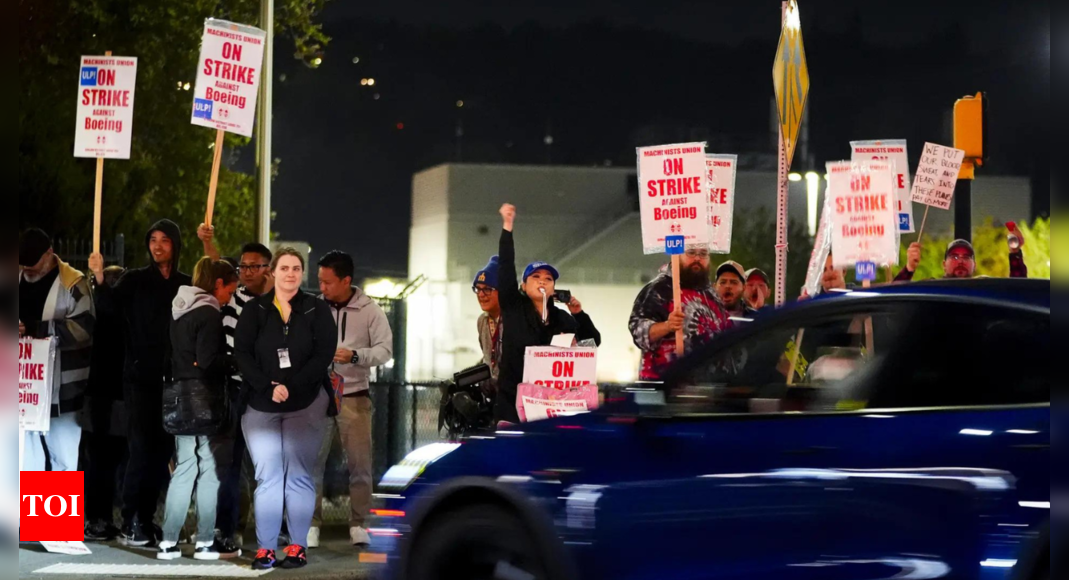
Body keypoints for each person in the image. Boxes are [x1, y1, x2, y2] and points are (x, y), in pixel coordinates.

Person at [89, 219, 192, 547]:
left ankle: (146, 520)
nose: (158, 246)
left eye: (164, 240)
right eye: (152, 240)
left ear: (176, 244)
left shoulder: (186, 286)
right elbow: (108, 309)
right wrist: (100, 277)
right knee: (140, 451)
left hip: (173, 383)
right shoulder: (134, 280)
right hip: (138, 382)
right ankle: (132, 520)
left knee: (162, 453)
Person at [234, 248, 337, 570]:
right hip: (261, 403)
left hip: (306, 403)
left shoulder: (317, 310)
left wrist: (292, 386)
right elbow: (242, 354)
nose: (290, 273)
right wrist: (269, 386)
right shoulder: (254, 310)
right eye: (284, 268)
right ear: (273, 272)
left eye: (296, 268)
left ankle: (297, 546)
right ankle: (265, 549)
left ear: (301, 274)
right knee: (268, 478)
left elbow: (323, 356)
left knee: (299, 477)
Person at [158, 258, 240, 561]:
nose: (229, 298)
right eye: (229, 292)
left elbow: (180, 355)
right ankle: (205, 541)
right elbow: (207, 360)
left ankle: (168, 542)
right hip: (204, 396)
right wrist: (234, 360)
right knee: (209, 468)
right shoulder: (208, 312)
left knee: (183, 467)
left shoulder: (179, 308)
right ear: (217, 284)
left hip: (179, 395)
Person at [311, 250, 393, 549]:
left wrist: (356, 356)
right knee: (312, 462)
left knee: (360, 464)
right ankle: (310, 524)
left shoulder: (370, 310)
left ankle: (359, 523)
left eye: (328, 282)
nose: (322, 288)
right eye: (319, 281)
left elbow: (385, 350)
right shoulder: (314, 308)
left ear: (346, 280)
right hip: (318, 395)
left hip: (354, 395)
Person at [495, 204, 601, 424]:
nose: (542, 280)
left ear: (553, 288)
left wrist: (579, 314)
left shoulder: (562, 318)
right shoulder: (513, 307)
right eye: (535, 276)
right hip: (512, 405)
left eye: (548, 278)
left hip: (551, 408)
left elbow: (591, 343)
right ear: (523, 286)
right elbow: (505, 265)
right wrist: (507, 226)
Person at [19, 228, 95, 473]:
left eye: (33, 264)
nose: (27, 269)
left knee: (63, 457)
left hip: (63, 390)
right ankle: (28, 512)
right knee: (25, 457)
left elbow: (85, 328)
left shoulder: (73, 283)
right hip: (23, 387)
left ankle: (56, 512)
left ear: (50, 253)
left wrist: (36, 329)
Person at [216, 242, 275, 550]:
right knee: (230, 464)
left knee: (269, 466)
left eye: (255, 266)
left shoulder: (281, 304)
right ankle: (228, 529)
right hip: (236, 391)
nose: (247, 272)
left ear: (269, 269)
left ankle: (272, 529)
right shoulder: (232, 301)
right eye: (243, 267)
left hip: (268, 394)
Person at [630, 245, 733, 380]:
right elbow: (638, 331)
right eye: (691, 252)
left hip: (708, 388)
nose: (697, 258)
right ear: (677, 256)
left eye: (703, 254)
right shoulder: (658, 289)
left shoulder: (713, 295)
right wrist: (667, 326)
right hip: (666, 387)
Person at [83, 265, 128, 542]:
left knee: (93, 460)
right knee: (108, 462)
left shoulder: (93, 315)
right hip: (114, 396)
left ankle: (93, 518)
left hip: (93, 394)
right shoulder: (122, 316)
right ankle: (101, 518)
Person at [895, 234, 1028, 282]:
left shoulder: (984, 288)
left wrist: (1015, 253)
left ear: (974, 265)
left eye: (966, 256)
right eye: (954, 256)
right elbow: (896, 300)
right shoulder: (931, 288)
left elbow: (1017, 292)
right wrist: (909, 268)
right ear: (943, 264)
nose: (960, 261)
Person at [474, 256, 503, 388]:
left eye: (487, 289)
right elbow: (487, 358)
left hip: (512, 395)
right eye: (478, 289)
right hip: (491, 394)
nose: (481, 294)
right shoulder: (482, 321)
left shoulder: (516, 321)